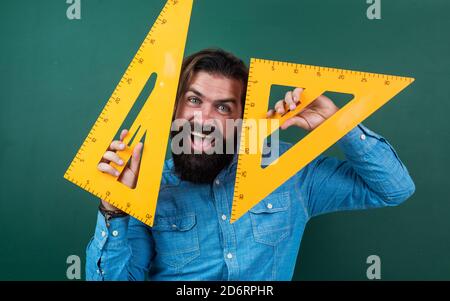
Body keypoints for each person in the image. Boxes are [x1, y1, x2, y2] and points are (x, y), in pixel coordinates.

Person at [86, 49, 415, 280]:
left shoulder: (287, 170)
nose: (204, 120)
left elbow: (394, 188)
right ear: (174, 107)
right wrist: (113, 210)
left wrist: (339, 124)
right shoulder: (146, 185)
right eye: (194, 100)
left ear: (242, 117)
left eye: (224, 108)